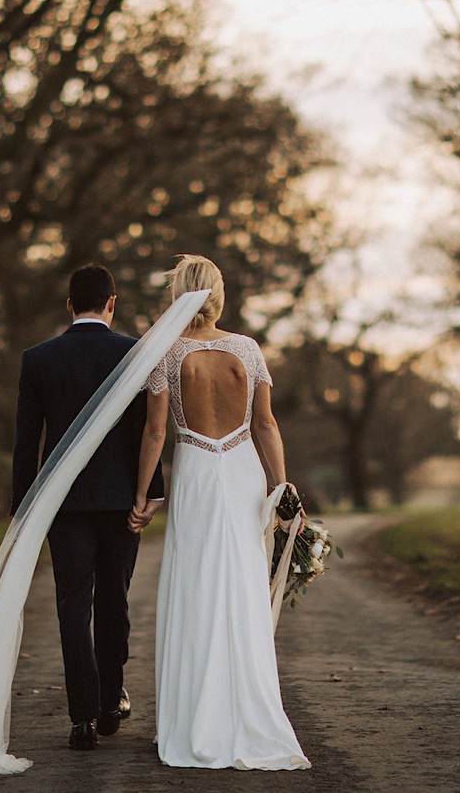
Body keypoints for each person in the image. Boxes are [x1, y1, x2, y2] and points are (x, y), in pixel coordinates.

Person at [128, 255, 310, 771]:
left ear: (178, 295)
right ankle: (247, 711)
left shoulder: (167, 354)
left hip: (197, 475)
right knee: (243, 584)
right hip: (242, 471)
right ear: (218, 294)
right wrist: (282, 487)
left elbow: (157, 434)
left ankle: (192, 719)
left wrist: (142, 496)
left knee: (197, 583)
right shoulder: (246, 351)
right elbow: (266, 425)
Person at [11, 264, 165, 752]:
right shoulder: (135, 355)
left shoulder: (38, 359)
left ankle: (81, 719)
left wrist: (22, 510)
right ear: (112, 303)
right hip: (121, 500)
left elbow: (25, 442)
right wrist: (149, 494)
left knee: (72, 605)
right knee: (114, 600)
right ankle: (108, 701)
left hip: (63, 502)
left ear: (70, 305)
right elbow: (149, 432)